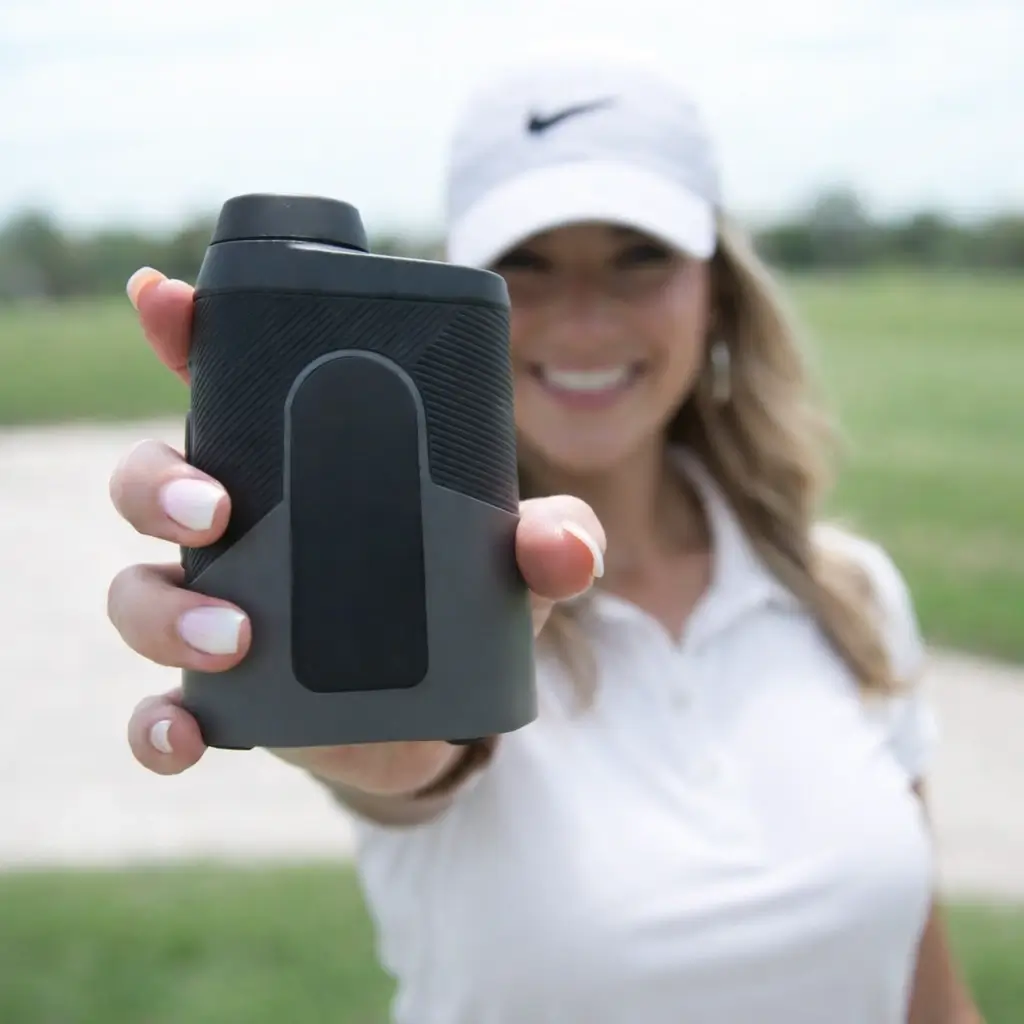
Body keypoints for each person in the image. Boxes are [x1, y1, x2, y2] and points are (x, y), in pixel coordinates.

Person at [106, 49, 982, 1024]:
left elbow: (935, 1006)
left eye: (638, 256)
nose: (585, 318)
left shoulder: (850, 596)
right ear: (450, 306)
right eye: (526, 263)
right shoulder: (431, 617)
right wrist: (396, 761)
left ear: (718, 293)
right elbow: (409, 776)